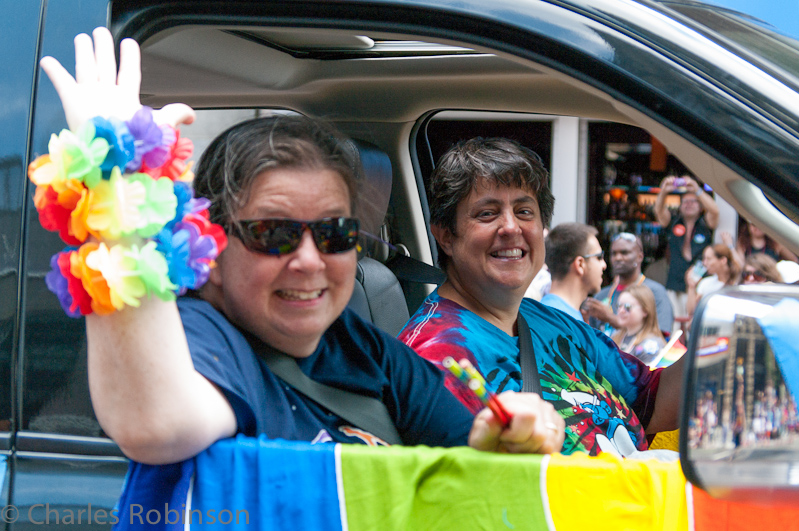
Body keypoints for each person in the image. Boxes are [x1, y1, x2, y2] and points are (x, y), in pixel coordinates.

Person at [36, 28, 566, 502]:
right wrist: (116, 192)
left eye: (335, 234)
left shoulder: (358, 345)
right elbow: (157, 423)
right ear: (211, 249)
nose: (310, 261)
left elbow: (466, 445)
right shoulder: (204, 338)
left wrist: (504, 438)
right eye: (274, 234)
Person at [398, 137, 685, 457]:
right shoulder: (436, 357)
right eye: (487, 213)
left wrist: (723, 341)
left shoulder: (551, 320)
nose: (511, 227)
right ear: (446, 235)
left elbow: (653, 400)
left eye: (524, 211)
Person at [653, 175, 719, 327]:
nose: (689, 204)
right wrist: (664, 191)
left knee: (696, 326)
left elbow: (715, 210)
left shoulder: (705, 223)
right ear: (680, 206)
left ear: (701, 205)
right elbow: (659, 211)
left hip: (699, 285)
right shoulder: (674, 222)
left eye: (693, 201)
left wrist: (697, 190)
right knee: (674, 327)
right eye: (685, 202)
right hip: (675, 284)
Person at [583, 232, 674, 337]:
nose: (618, 258)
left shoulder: (656, 292)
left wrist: (610, 318)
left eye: (624, 253)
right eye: (614, 253)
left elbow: (659, 337)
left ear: (640, 257)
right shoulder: (601, 296)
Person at [540, 222, 606, 321]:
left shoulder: (550, 312)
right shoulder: (559, 319)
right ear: (580, 264)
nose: (604, 265)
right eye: (599, 257)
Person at [611, 285, 666, 366]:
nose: (621, 311)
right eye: (619, 305)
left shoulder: (651, 345)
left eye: (627, 307)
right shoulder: (615, 336)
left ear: (645, 311)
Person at [685, 243, 740, 316]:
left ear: (723, 260)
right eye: (704, 259)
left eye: (709, 259)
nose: (705, 263)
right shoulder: (706, 283)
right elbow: (691, 312)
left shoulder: (738, 283)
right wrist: (691, 287)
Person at [732, 218, 798, 267]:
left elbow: (794, 260)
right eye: (754, 224)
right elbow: (740, 265)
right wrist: (730, 245)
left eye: (760, 225)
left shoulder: (775, 243)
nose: (757, 228)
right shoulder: (742, 243)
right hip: (751, 281)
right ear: (748, 226)